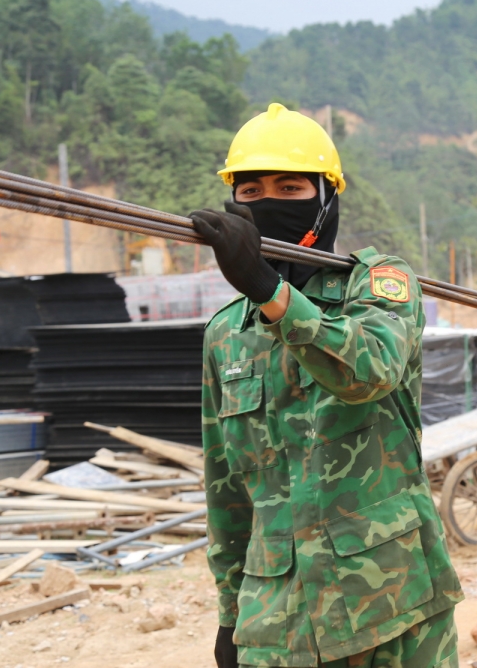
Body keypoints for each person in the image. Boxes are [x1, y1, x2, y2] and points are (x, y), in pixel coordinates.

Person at [189, 103, 462, 668]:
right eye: (252, 190)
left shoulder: (380, 285)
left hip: (391, 608)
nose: (268, 202)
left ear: (326, 199)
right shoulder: (226, 335)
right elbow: (227, 491)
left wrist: (270, 291)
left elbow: (371, 370)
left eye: (290, 187)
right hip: (276, 623)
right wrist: (229, 613)